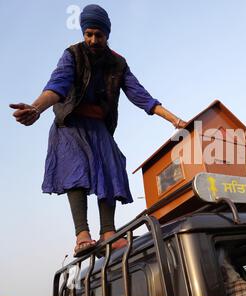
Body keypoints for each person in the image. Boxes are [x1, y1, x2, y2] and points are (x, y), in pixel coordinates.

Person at [10, 4, 187, 257]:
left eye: (98, 35)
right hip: (70, 123)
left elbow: (141, 96)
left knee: (111, 167)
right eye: (88, 34)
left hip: (99, 127)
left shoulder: (118, 63)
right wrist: (36, 108)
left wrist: (174, 120)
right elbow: (56, 86)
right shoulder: (72, 55)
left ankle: (109, 233)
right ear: (84, 33)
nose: (93, 40)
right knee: (76, 168)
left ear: (107, 35)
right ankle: (82, 233)